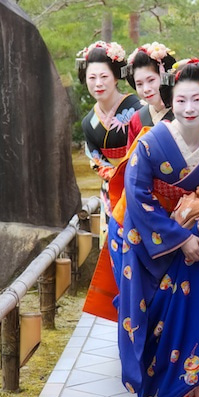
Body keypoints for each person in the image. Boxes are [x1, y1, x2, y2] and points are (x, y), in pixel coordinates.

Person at [113, 60, 199, 397]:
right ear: (171, 100)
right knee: (149, 321)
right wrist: (179, 237)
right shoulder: (150, 143)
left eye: (198, 99)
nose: (190, 108)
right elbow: (137, 196)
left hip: (194, 246)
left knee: (189, 309)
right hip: (148, 243)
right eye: (181, 100)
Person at [77, 41, 141, 322]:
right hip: (112, 191)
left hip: (140, 185)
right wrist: (113, 176)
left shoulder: (136, 107)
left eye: (104, 76)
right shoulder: (89, 121)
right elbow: (95, 158)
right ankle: (125, 310)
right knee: (117, 251)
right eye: (92, 77)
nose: (98, 83)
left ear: (116, 76)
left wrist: (130, 173)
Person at [126, 42, 176, 147]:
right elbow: (131, 160)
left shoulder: (183, 112)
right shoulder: (136, 120)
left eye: (151, 80)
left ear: (164, 77)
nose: (146, 89)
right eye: (139, 84)